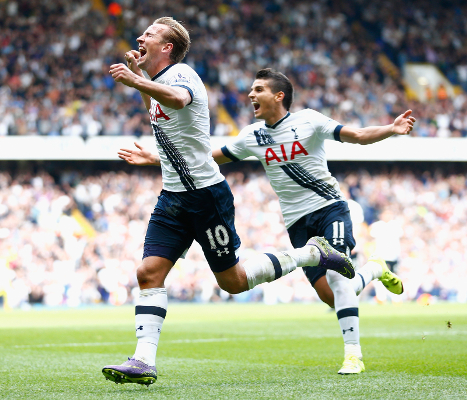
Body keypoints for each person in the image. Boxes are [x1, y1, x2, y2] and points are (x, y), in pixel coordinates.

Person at [103, 19, 355, 386]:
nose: (141, 37)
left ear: (167, 47)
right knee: (148, 273)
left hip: (207, 197)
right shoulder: (159, 81)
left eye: (150, 34)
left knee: (233, 283)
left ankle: (311, 254)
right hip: (172, 198)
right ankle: (144, 361)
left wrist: (135, 78)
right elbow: (158, 109)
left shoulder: (183, 75)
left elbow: (177, 100)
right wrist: (143, 80)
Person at [119, 68, 413, 375]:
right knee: (333, 295)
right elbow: (208, 158)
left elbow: (357, 136)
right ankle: (376, 268)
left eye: (258, 89)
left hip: (330, 207)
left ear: (278, 95)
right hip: (296, 220)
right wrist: (155, 159)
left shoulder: (309, 121)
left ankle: (353, 355)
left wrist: (391, 128)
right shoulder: (252, 136)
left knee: (339, 281)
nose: (250, 95)